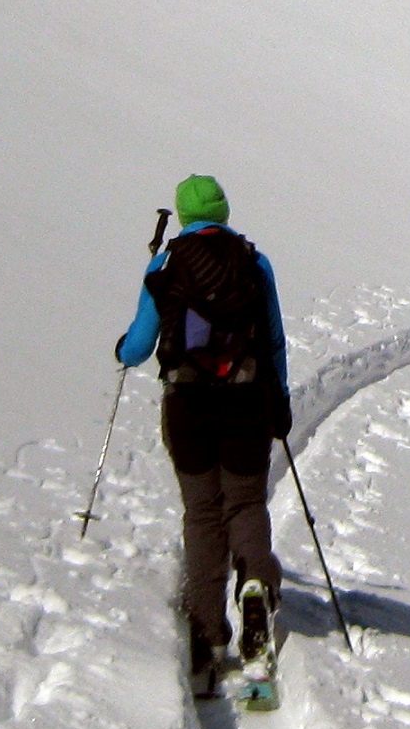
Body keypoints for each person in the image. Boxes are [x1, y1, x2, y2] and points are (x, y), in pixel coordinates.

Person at [117, 173, 290, 698]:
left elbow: (140, 345)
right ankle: (256, 586)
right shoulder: (254, 262)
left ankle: (208, 636)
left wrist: (123, 349)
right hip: (245, 403)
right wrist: (278, 401)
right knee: (244, 503)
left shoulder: (166, 263)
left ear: (184, 213)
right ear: (225, 209)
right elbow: (275, 339)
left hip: (188, 406)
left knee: (203, 512)